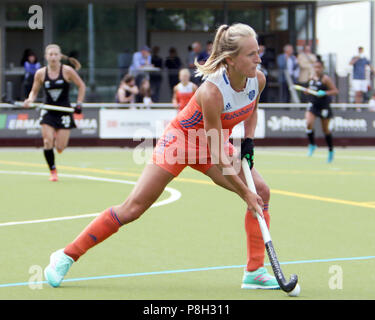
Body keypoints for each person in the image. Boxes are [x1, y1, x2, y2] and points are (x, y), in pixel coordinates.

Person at [44, 23, 280, 291]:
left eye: (257, 51)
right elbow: (217, 156)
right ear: (230, 60)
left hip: (212, 144)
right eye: (251, 54)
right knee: (133, 208)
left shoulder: (257, 79)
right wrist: (245, 194)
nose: (258, 59)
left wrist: (247, 141)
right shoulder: (211, 92)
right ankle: (66, 255)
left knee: (261, 190)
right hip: (180, 142)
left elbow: (251, 110)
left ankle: (254, 271)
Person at [23, 44, 86, 181]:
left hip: (64, 111)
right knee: (47, 141)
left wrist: (79, 103)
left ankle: (57, 140)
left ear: (59, 56)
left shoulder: (67, 71)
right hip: (48, 111)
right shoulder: (40, 73)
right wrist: (29, 100)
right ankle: (53, 171)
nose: (53, 57)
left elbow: (81, 86)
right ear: (46, 57)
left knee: (60, 147)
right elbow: (34, 91)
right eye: (50, 54)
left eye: (55, 54)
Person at [303, 59, 338, 163]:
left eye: (319, 67)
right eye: (315, 67)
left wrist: (325, 93)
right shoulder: (311, 78)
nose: (317, 69)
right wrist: (307, 91)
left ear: (322, 68)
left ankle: (331, 150)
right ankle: (312, 144)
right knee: (308, 123)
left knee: (325, 130)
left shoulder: (325, 79)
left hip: (324, 106)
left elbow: (335, 91)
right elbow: (310, 90)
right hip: (313, 105)